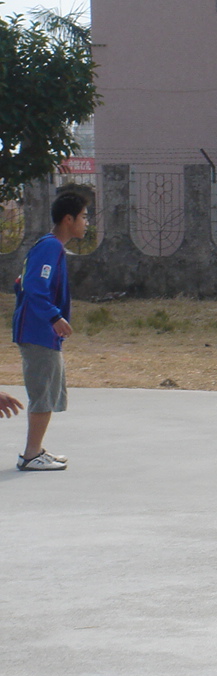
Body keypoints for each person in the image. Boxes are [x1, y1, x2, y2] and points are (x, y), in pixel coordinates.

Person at [12, 191, 88, 471]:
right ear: (68, 219)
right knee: (42, 393)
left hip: (41, 332)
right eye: (83, 217)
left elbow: (21, 282)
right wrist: (54, 316)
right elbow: (33, 285)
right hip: (38, 332)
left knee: (47, 391)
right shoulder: (50, 247)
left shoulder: (49, 247)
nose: (86, 222)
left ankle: (37, 450)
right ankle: (31, 455)